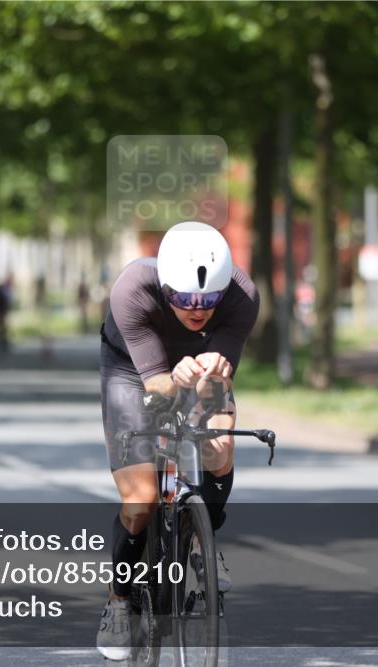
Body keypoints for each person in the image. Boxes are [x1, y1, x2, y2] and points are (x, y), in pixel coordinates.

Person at [96, 221, 258, 660]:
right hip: (133, 371)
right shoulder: (133, 288)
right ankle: (118, 599)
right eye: (185, 300)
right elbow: (157, 388)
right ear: (166, 287)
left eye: (209, 301)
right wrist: (175, 379)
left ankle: (204, 540)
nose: (197, 309)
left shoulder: (242, 296)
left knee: (218, 445)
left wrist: (203, 382)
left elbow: (211, 390)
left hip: (199, 372)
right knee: (142, 500)